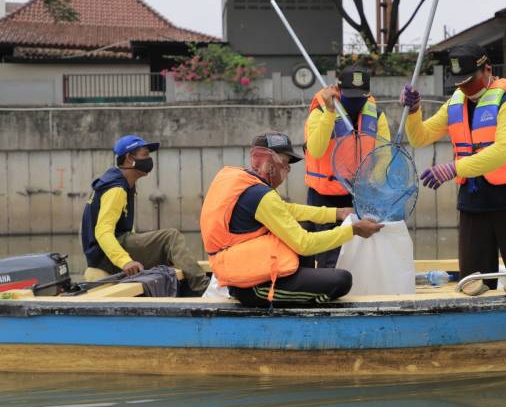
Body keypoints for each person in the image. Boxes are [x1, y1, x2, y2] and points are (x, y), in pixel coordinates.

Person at [399, 43, 506, 296]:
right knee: (472, 284)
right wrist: (413, 111)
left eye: (468, 81)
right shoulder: (455, 103)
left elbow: (502, 152)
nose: (463, 87)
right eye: (458, 82)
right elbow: (419, 137)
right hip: (473, 202)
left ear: (487, 69)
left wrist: (453, 168)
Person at [200, 130, 384, 307]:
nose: (288, 170)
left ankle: (304, 290)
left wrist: (338, 212)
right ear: (270, 164)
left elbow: (286, 210)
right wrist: (353, 230)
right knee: (342, 281)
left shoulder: (243, 183)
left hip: (243, 272)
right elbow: (304, 243)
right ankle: (303, 315)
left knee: (302, 230)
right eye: (286, 163)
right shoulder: (260, 195)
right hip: (252, 287)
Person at [81, 135, 210, 295]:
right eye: (145, 155)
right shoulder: (116, 188)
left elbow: (125, 228)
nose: (149, 159)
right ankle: (205, 290)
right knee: (170, 238)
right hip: (105, 257)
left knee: (166, 251)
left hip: (104, 254)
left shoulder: (120, 183)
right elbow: (103, 231)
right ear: (129, 158)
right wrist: (125, 261)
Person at [303, 65, 391, 268]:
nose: (355, 100)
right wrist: (330, 113)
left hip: (359, 195)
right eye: (350, 95)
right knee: (329, 259)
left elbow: (384, 155)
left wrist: (372, 187)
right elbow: (315, 149)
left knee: (359, 258)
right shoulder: (320, 112)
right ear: (338, 90)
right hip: (325, 198)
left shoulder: (376, 115)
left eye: (360, 95)